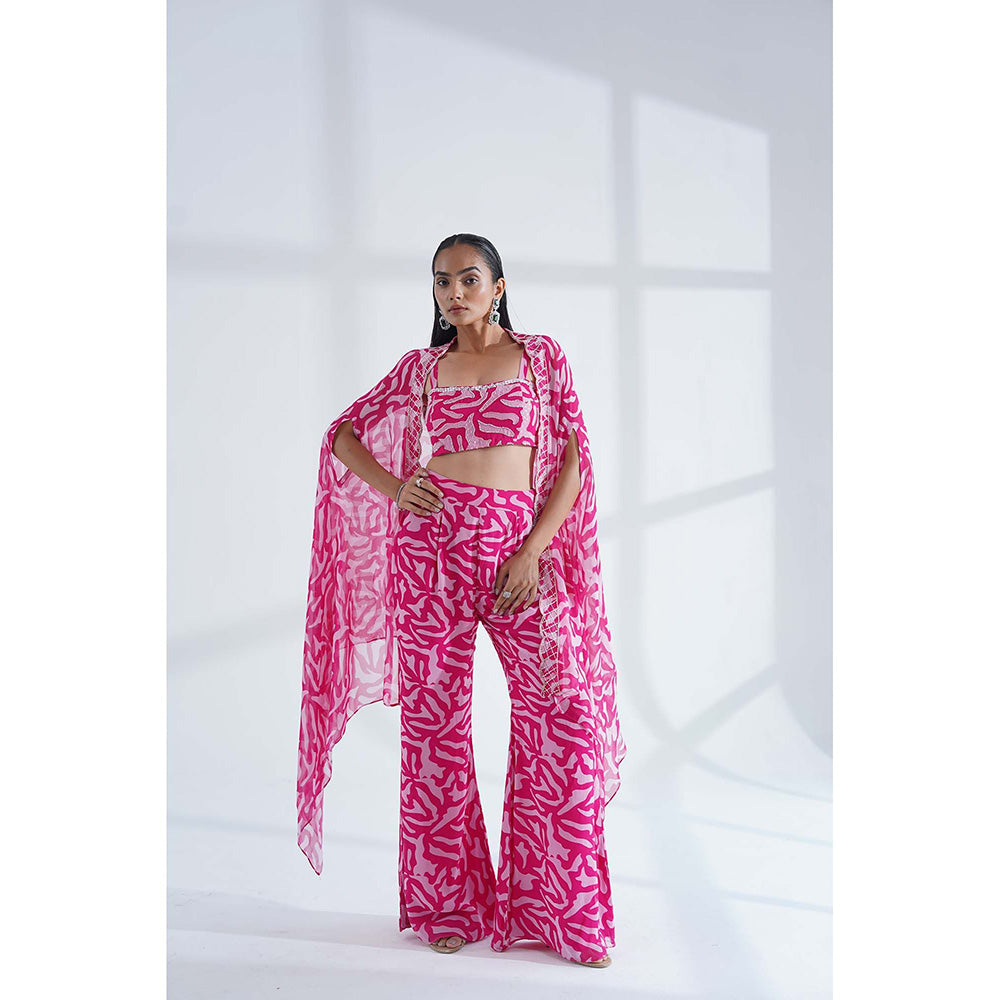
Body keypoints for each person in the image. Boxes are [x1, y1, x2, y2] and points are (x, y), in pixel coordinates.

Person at [297, 233, 626, 968]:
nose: (455, 293)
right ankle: (448, 906)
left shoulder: (540, 359)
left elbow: (573, 461)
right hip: (429, 556)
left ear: (499, 286)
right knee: (435, 726)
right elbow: (342, 435)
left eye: (469, 279)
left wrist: (534, 550)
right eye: (443, 281)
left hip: (519, 562)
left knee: (564, 716)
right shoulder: (422, 369)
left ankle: (565, 916)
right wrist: (396, 488)